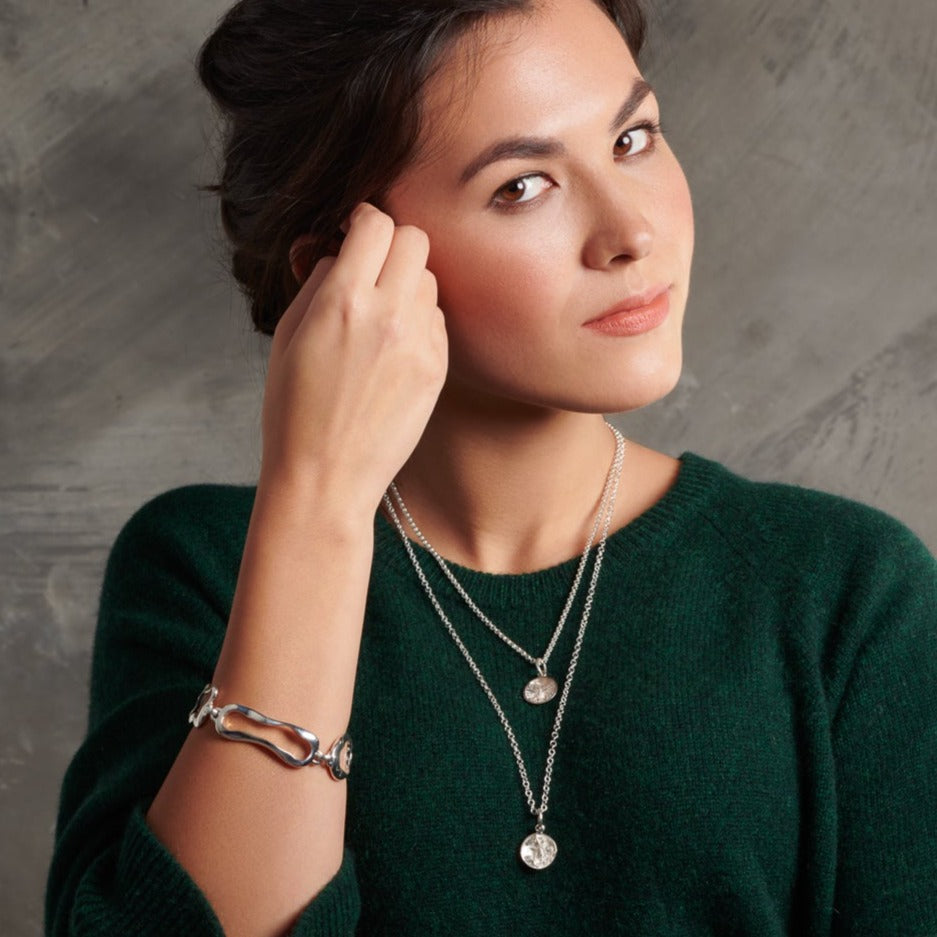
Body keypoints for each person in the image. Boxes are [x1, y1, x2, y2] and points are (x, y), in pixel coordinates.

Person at [45, 0, 937, 934]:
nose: (630, 232)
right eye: (523, 186)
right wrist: (317, 512)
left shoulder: (845, 592)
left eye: (632, 138)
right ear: (348, 267)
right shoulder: (201, 567)